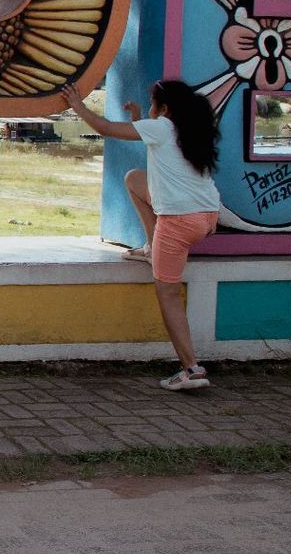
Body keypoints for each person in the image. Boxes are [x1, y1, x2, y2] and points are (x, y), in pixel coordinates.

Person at [62, 80, 222, 391]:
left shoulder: (160, 127)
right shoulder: (189, 128)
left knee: (168, 295)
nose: (150, 109)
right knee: (134, 179)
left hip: (178, 223)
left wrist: (77, 105)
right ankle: (151, 247)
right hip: (208, 216)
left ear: (165, 109)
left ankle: (191, 369)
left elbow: (105, 128)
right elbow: (159, 149)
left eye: (152, 104)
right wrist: (138, 118)